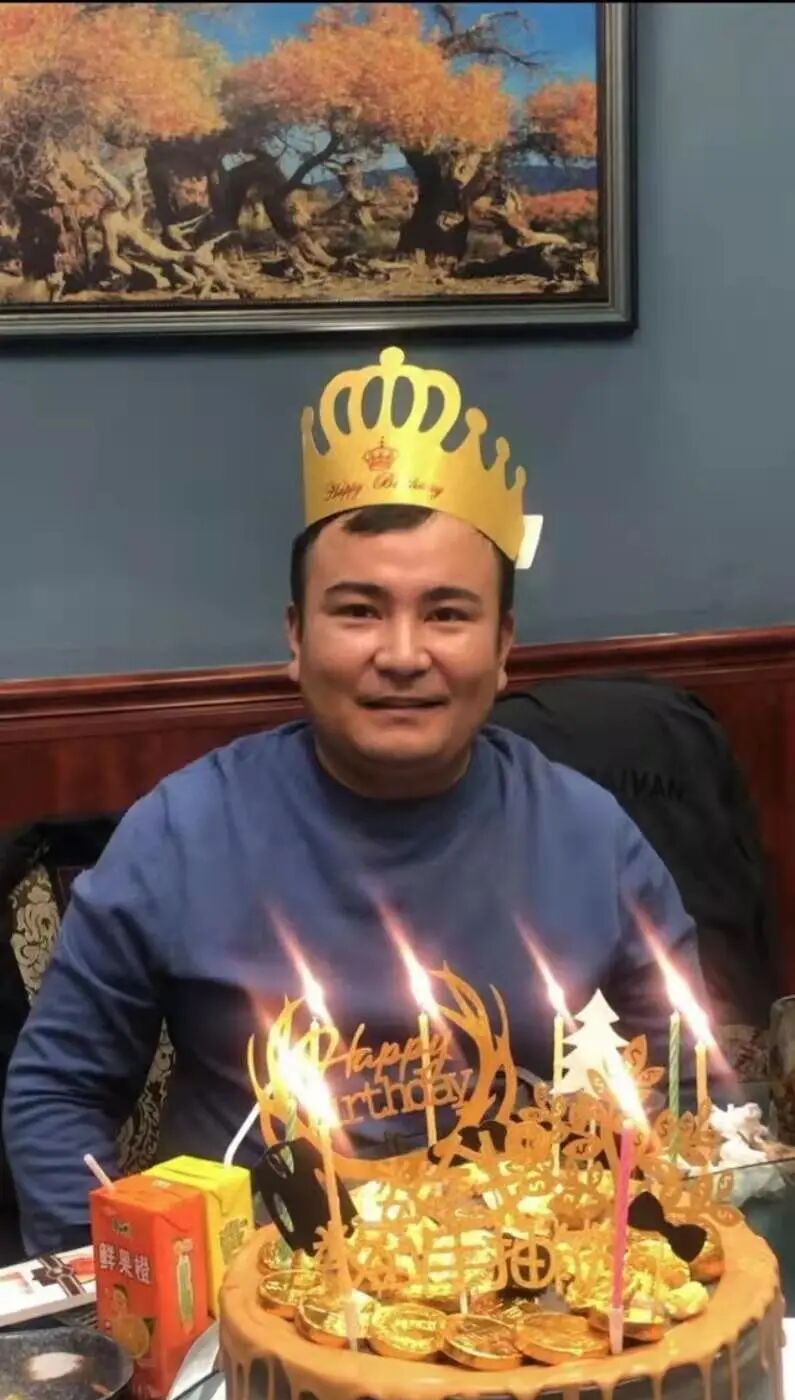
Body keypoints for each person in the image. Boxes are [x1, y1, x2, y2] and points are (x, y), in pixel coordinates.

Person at [3, 346, 703, 1254]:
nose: (402, 654)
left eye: (446, 613)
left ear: (502, 647)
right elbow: (57, 1092)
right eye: (359, 610)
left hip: (525, 1296)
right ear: (296, 638)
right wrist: (118, 1289)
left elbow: (679, 1084)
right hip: (246, 1301)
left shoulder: (591, 836)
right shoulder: (180, 833)